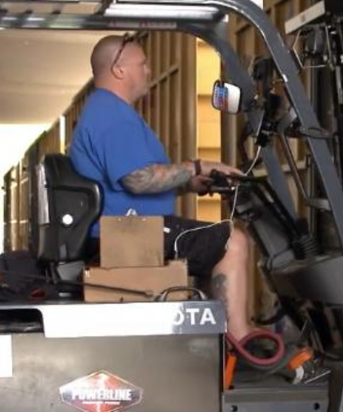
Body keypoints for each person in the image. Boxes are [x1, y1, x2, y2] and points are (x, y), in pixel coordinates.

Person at [68, 33, 253, 339]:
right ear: (119, 69)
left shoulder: (108, 111)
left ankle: (214, 337)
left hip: (127, 228)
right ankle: (239, 342)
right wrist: (197, 166)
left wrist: (189, 183)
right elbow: (138, 179)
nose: (149, 71)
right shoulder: (112, 114)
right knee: (232, 241)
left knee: (210, 243)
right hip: (127, 233)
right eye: (142, 64)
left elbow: (135, 180)